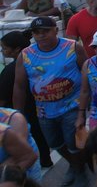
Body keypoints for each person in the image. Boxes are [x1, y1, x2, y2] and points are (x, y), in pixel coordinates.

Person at [13, 16, 86, 186]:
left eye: (45, 31)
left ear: (55, 29)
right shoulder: (26, 55)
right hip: (44, 111)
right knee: (54, 143)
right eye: (36, 33)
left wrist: (86, 105)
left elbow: (87, 73)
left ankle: (80, 171)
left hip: (72, 106)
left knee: (73, 143)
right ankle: (76, 165)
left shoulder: (73, 47)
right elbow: (19, 87)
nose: (41, 35)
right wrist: (18, 114)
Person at [0, 31, 52, 170]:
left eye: (4, 48)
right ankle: (46, 160)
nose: (3, 51)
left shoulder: (11, 70)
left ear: (16, 49)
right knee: (39, 135)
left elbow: (3, 98)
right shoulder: (34, 62)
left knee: (27, 138)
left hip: (20, 109)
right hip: (37, 104)